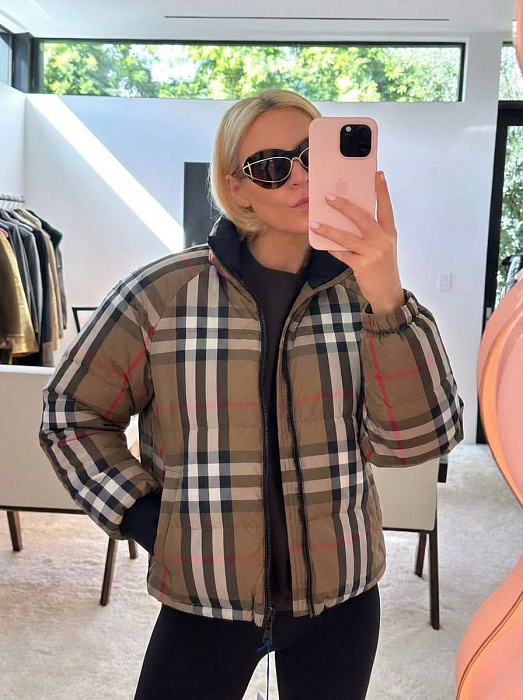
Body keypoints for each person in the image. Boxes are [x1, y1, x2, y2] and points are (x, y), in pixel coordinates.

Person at [39, 89, 465, 700]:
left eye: (311, 156)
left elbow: (416, 441)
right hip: (205, 596)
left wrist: (388, 296)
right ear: (237, 188)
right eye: (270, 166)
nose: (300, 176)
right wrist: (146, 518)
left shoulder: (368, 298)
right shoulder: (163, 294)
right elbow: (70, 415)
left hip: (340, 597)